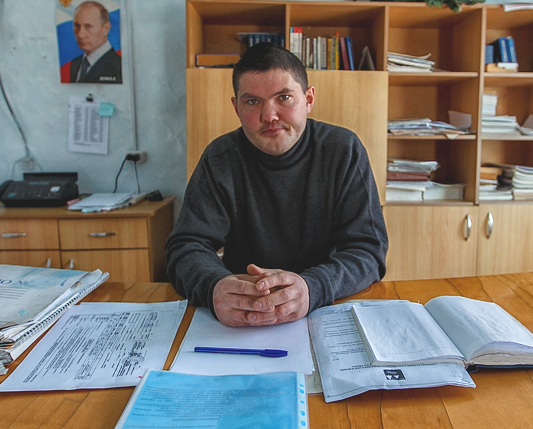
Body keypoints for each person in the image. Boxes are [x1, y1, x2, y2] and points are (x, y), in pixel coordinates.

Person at [166, 42, 388, 327]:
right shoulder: (220, 158)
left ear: (308, 99)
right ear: (236, 107)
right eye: (252, 101)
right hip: (243, 314)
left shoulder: (343, 151)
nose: (269, 116)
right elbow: (185, 246)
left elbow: (368, 251)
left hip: (326, 306)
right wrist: (214, 287)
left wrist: (313, 287)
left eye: (284, 97)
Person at [60, 1, 122, 83]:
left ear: (106, 28)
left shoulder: (118, 67)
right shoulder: (75, 64)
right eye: (77, 26)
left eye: (88, 26)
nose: (80, 34)